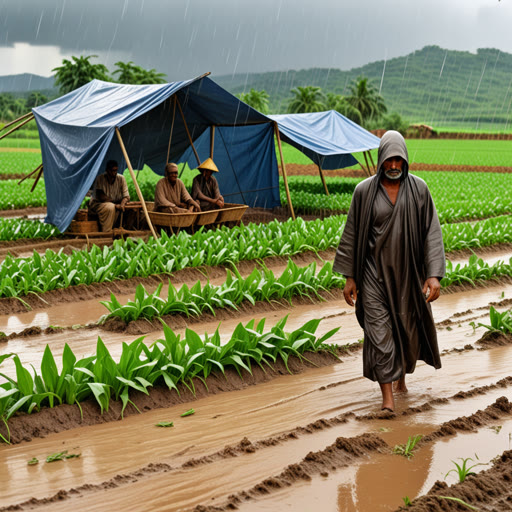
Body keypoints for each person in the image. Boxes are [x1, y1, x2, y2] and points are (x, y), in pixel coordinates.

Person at [333, 130, 445, 412]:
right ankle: (388, 400)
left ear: (405, 160)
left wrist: (433, 275)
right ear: (381, 160)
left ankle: (401, 379)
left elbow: (432, 233)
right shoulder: (363, 192)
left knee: (405, 329)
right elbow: (352, 234)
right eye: (388, 160)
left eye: (398, 160)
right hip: (373, 275)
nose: (393, 166)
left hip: (408, 275)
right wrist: (350, 277)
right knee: (379, 332)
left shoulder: (419, 190)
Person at [88, 160, 130, 232]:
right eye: (112, 171)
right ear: (107, 170)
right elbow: (101, 197)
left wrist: (123, 203)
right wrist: (116, 205)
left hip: (116, 202)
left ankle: (126, 229)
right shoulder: (100, 178)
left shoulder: (121, 178)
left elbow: (126, 196)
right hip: (99, 204)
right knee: (110, 207)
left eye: (116, 170)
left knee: (131, 209)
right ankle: (106, 231)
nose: (114, 173)